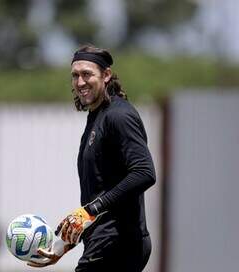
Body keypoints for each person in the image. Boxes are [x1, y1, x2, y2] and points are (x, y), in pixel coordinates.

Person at [27, 45, 156, 272]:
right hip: (104, 243)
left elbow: (144, 172)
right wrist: (64, 245)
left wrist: (92, 208)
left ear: (106, 76)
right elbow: (99, 190)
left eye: (87, 74)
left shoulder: (119, 115)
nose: (79, 82)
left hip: (118, 244)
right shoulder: (97, 117)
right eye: (75, 76)